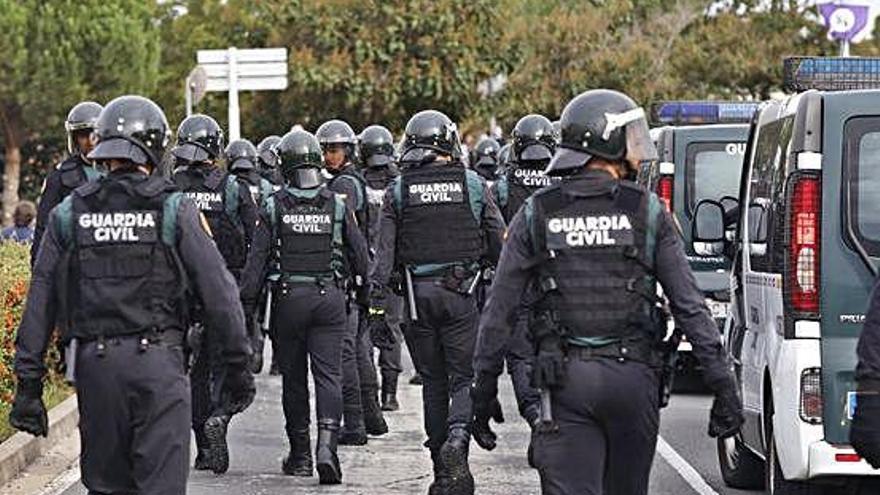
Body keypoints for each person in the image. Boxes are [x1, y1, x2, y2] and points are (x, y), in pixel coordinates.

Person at [470, 89, 743, 495]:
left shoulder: (538, 212)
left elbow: (499, 310)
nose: (638, 152)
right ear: (606, 140)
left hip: (565, 382)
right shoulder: (647, 211)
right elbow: (690, 307)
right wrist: (723, 384)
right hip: (634, 380)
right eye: (631, 139)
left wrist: (483, 386)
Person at [10, 95, 255, 494]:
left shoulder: (70, 213)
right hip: (158, 366)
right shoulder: (173, 209)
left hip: (96, 370)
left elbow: (42, 298)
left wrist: (29, 385)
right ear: (156, 148)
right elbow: (220, 294)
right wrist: (238, 370)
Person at [372, 110, 505, 495]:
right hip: (462, 296)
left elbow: (383, 259)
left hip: (415, 300)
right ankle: (458, 443)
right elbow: (501, 246)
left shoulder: (399, 191)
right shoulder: (475, 185)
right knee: (464, 378)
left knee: (433, 382)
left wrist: (378, 311)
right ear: (448, 144)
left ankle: (442, 475)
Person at [240, 129, 369, 485]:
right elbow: (360, 257)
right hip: (330, 300)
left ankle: (299, 457)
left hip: (288, 302)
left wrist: (245, 310)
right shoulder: (338, 204)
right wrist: (368, 302)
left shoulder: (273, 205)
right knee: (329, 375)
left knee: (294, 380)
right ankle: (326, 448)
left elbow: (256, 265)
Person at [171, 114, 258, 473]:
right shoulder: (234, 188)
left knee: (194, 370)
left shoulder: (169, 186)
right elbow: (255, 239)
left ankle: (203, 450)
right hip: (225, 287)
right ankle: (221, 416)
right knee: (223, 365)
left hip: (181, 293)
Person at [316, 119, 387, 442]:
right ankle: (372, 418)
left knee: (348, 350)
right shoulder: (351, 181)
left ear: (348, 151)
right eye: (326, 150)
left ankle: (356, 424)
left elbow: (350, 235)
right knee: (359, 347)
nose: (329, 156)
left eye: (334, 149)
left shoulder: (345, 185)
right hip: (364, 272)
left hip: (354, 274)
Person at [487, 114, 560, 428]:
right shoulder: (562, 181)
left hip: (518, 280)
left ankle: (533, 415)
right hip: (558, 280)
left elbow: (492, 232)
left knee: (520, 354)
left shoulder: (503, 186)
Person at [359, 124, 405, 412]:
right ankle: (390, 394)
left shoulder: (355, 183)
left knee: (364, 329)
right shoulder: (401, 183)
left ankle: (371, 395)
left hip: (365, 268)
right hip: (393, 269)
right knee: (391, 328)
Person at [32, 101, 103, 264]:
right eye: (84, 135)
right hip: (74, 264)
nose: (91, 141)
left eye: (95, 134)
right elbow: (43, 229)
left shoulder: (123, 171)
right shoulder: (60, 178)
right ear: (74, 139)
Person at [226, 138, 276, 374]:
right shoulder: (265, 185)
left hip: (235, 257)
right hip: (261, 251)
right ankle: (263, 352)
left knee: (243, 304)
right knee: (261, 305)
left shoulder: (229, 185)